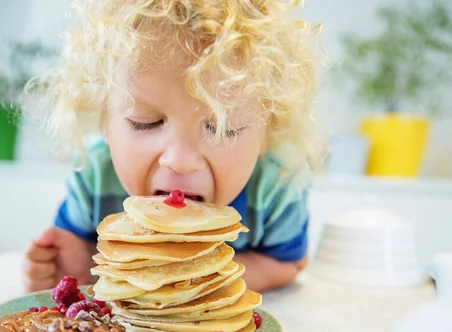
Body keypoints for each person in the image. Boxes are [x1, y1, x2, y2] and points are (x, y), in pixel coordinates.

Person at [22, 0, 325, 293]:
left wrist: (197, 281)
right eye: (146, 122)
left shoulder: (277, 187)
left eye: (221, 128)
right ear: (105, 123)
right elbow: (76, 251)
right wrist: (77, 262)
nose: (179, 161)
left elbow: (288, 262)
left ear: (266, 134)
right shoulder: (95, 177)